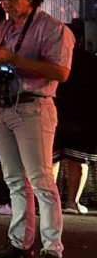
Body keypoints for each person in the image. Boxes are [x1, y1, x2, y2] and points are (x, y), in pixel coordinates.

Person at [0, 0, 74, 258]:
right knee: (16, 180)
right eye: (2, 0)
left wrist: (14, 59)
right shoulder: (3, 28)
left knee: (41, 180)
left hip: (33, 106)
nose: (6, 6)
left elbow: (61, 72)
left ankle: (52, 252)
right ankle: (20, 245)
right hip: (4, 106)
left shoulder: (53, 29)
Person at [53, 24, 95, 215]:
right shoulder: (89, 60)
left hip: (54, 114)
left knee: (51, 160)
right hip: (82, 117)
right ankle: (72, 202)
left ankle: (50, 203)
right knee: (78, 160)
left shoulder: (51, 58)